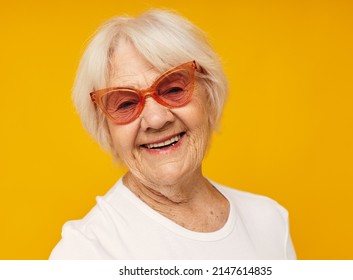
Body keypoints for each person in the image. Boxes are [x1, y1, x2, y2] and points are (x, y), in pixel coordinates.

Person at [50, 9, 296, 260]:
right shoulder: (83, 254)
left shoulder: (270, 222)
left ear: (209, 95)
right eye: (125, 104)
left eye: (173, 88)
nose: (156, 119)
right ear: (105, 127)